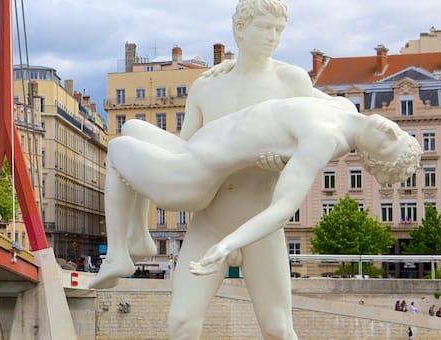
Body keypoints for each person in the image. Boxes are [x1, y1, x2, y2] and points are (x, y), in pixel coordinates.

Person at [97, 0, 366, 340]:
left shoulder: (292, 81)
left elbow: (343, 122)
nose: (273, 37)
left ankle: (132, 240)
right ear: (240, 30)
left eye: (279, 30)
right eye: (265, 28)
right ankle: (135, 237)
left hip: (259, 223)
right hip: (210, 221)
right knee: (180, 321)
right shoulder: (206, 86)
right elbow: (186, 152)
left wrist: (283, 162)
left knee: (278, 328)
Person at [88, 96, 418, 287]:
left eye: (389, 142)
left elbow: (282, 209)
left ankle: (118, 255)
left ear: (371, 156)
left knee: (117, 151)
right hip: (188, 149)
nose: (391, 129)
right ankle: (139, 238)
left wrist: (228, 243)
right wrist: (226, 68)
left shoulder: (325, 139)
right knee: (132, 127)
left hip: (191, 175)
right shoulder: (343, 106)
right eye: (399, 132)